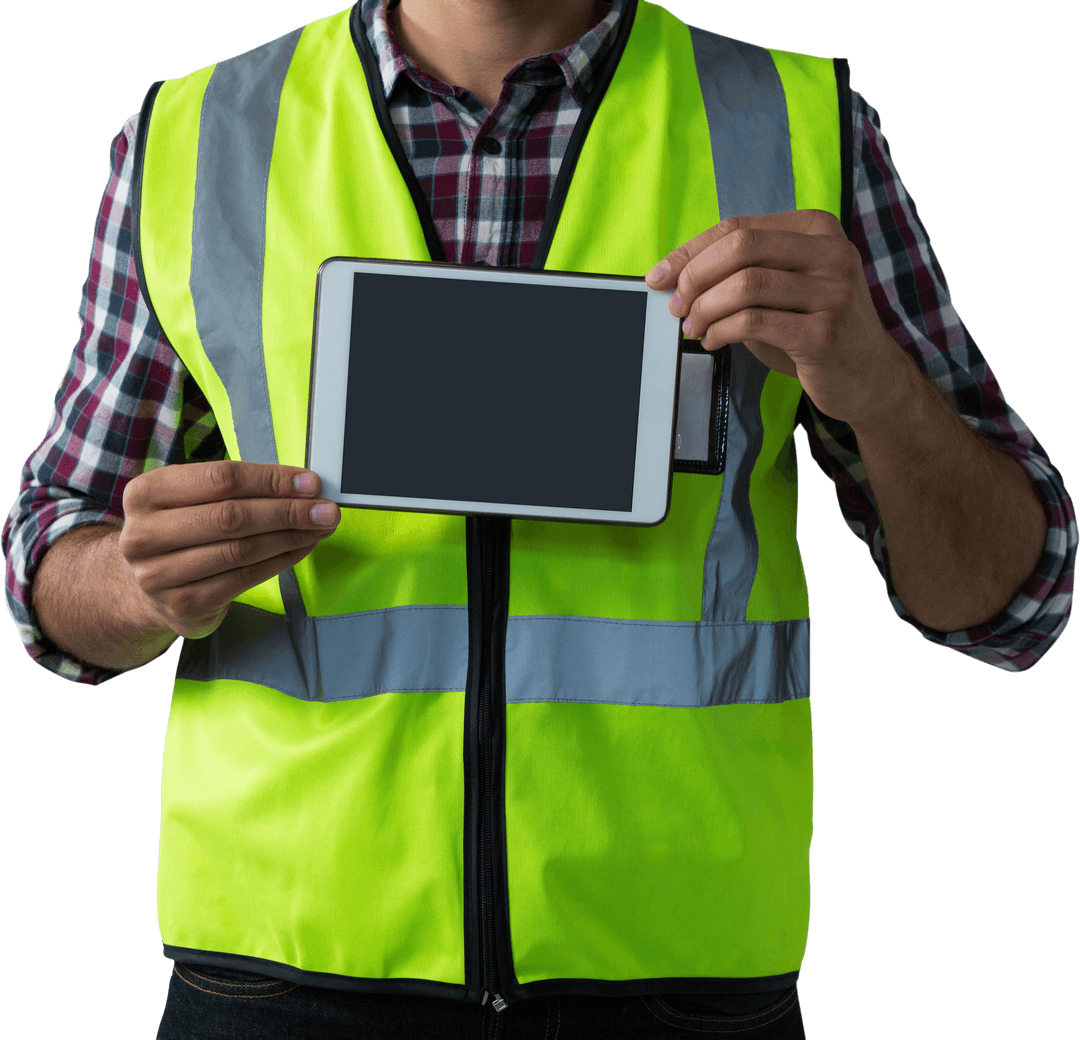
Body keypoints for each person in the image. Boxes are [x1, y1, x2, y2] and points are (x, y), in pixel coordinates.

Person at [3, 1, 1075, 1038]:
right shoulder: (196, 134)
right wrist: (137, 584)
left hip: (679, 977)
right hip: (278, 970)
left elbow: (1010, 601)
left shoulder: (800, 128)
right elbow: (49, 561)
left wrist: (880, 386)